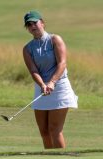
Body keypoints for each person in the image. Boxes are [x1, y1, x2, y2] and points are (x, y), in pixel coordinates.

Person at [22, 10, 78, 149]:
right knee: (44, 131)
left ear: (42, 23)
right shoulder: (27, 48)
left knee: (54, 129)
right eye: (29, 24)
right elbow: (33, 70)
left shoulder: (55, 39)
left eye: (35, 22)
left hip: (59, 87)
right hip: (41, 88)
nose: (32, 26)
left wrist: (52, 82)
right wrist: (42, 84)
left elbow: (62, 63)